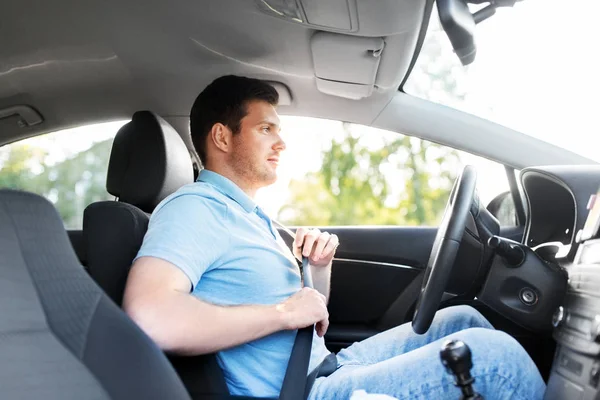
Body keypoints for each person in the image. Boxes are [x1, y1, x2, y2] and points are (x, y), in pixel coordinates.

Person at [123, 75, 546, 399]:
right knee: (494, 360)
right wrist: (285, 313)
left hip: (324, 366)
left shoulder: (247, 215)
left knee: (462, 320)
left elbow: (309, 315)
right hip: (307, 391)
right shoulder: (194, 209)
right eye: (266, 129)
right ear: (221, 136)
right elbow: (150, 318)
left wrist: (316, 270)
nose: (282, 142)